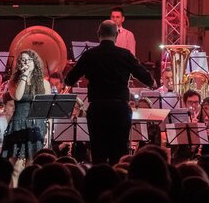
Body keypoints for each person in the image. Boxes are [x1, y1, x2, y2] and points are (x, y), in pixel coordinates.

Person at [64, 20, 154, 164]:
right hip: (119, 109)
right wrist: (152, 82)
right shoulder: (125, 54)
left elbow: (69, 79)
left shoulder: (89, 55)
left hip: (97, 108)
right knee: (119, 153)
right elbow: (146, 78)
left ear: (98, 34)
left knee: (98, 152)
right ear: (117, 34)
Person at [1, 49, 52, 166]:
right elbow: (18, 96)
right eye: (22, 60)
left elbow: (47, 109)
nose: (25, 63)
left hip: (37, 125)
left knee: (33, 164)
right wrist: (24, 75)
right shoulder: (13, 82)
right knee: (16, 166)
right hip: (18, 124)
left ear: (34, 62)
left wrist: (48, 134)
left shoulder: (44, 83)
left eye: (28, 60)